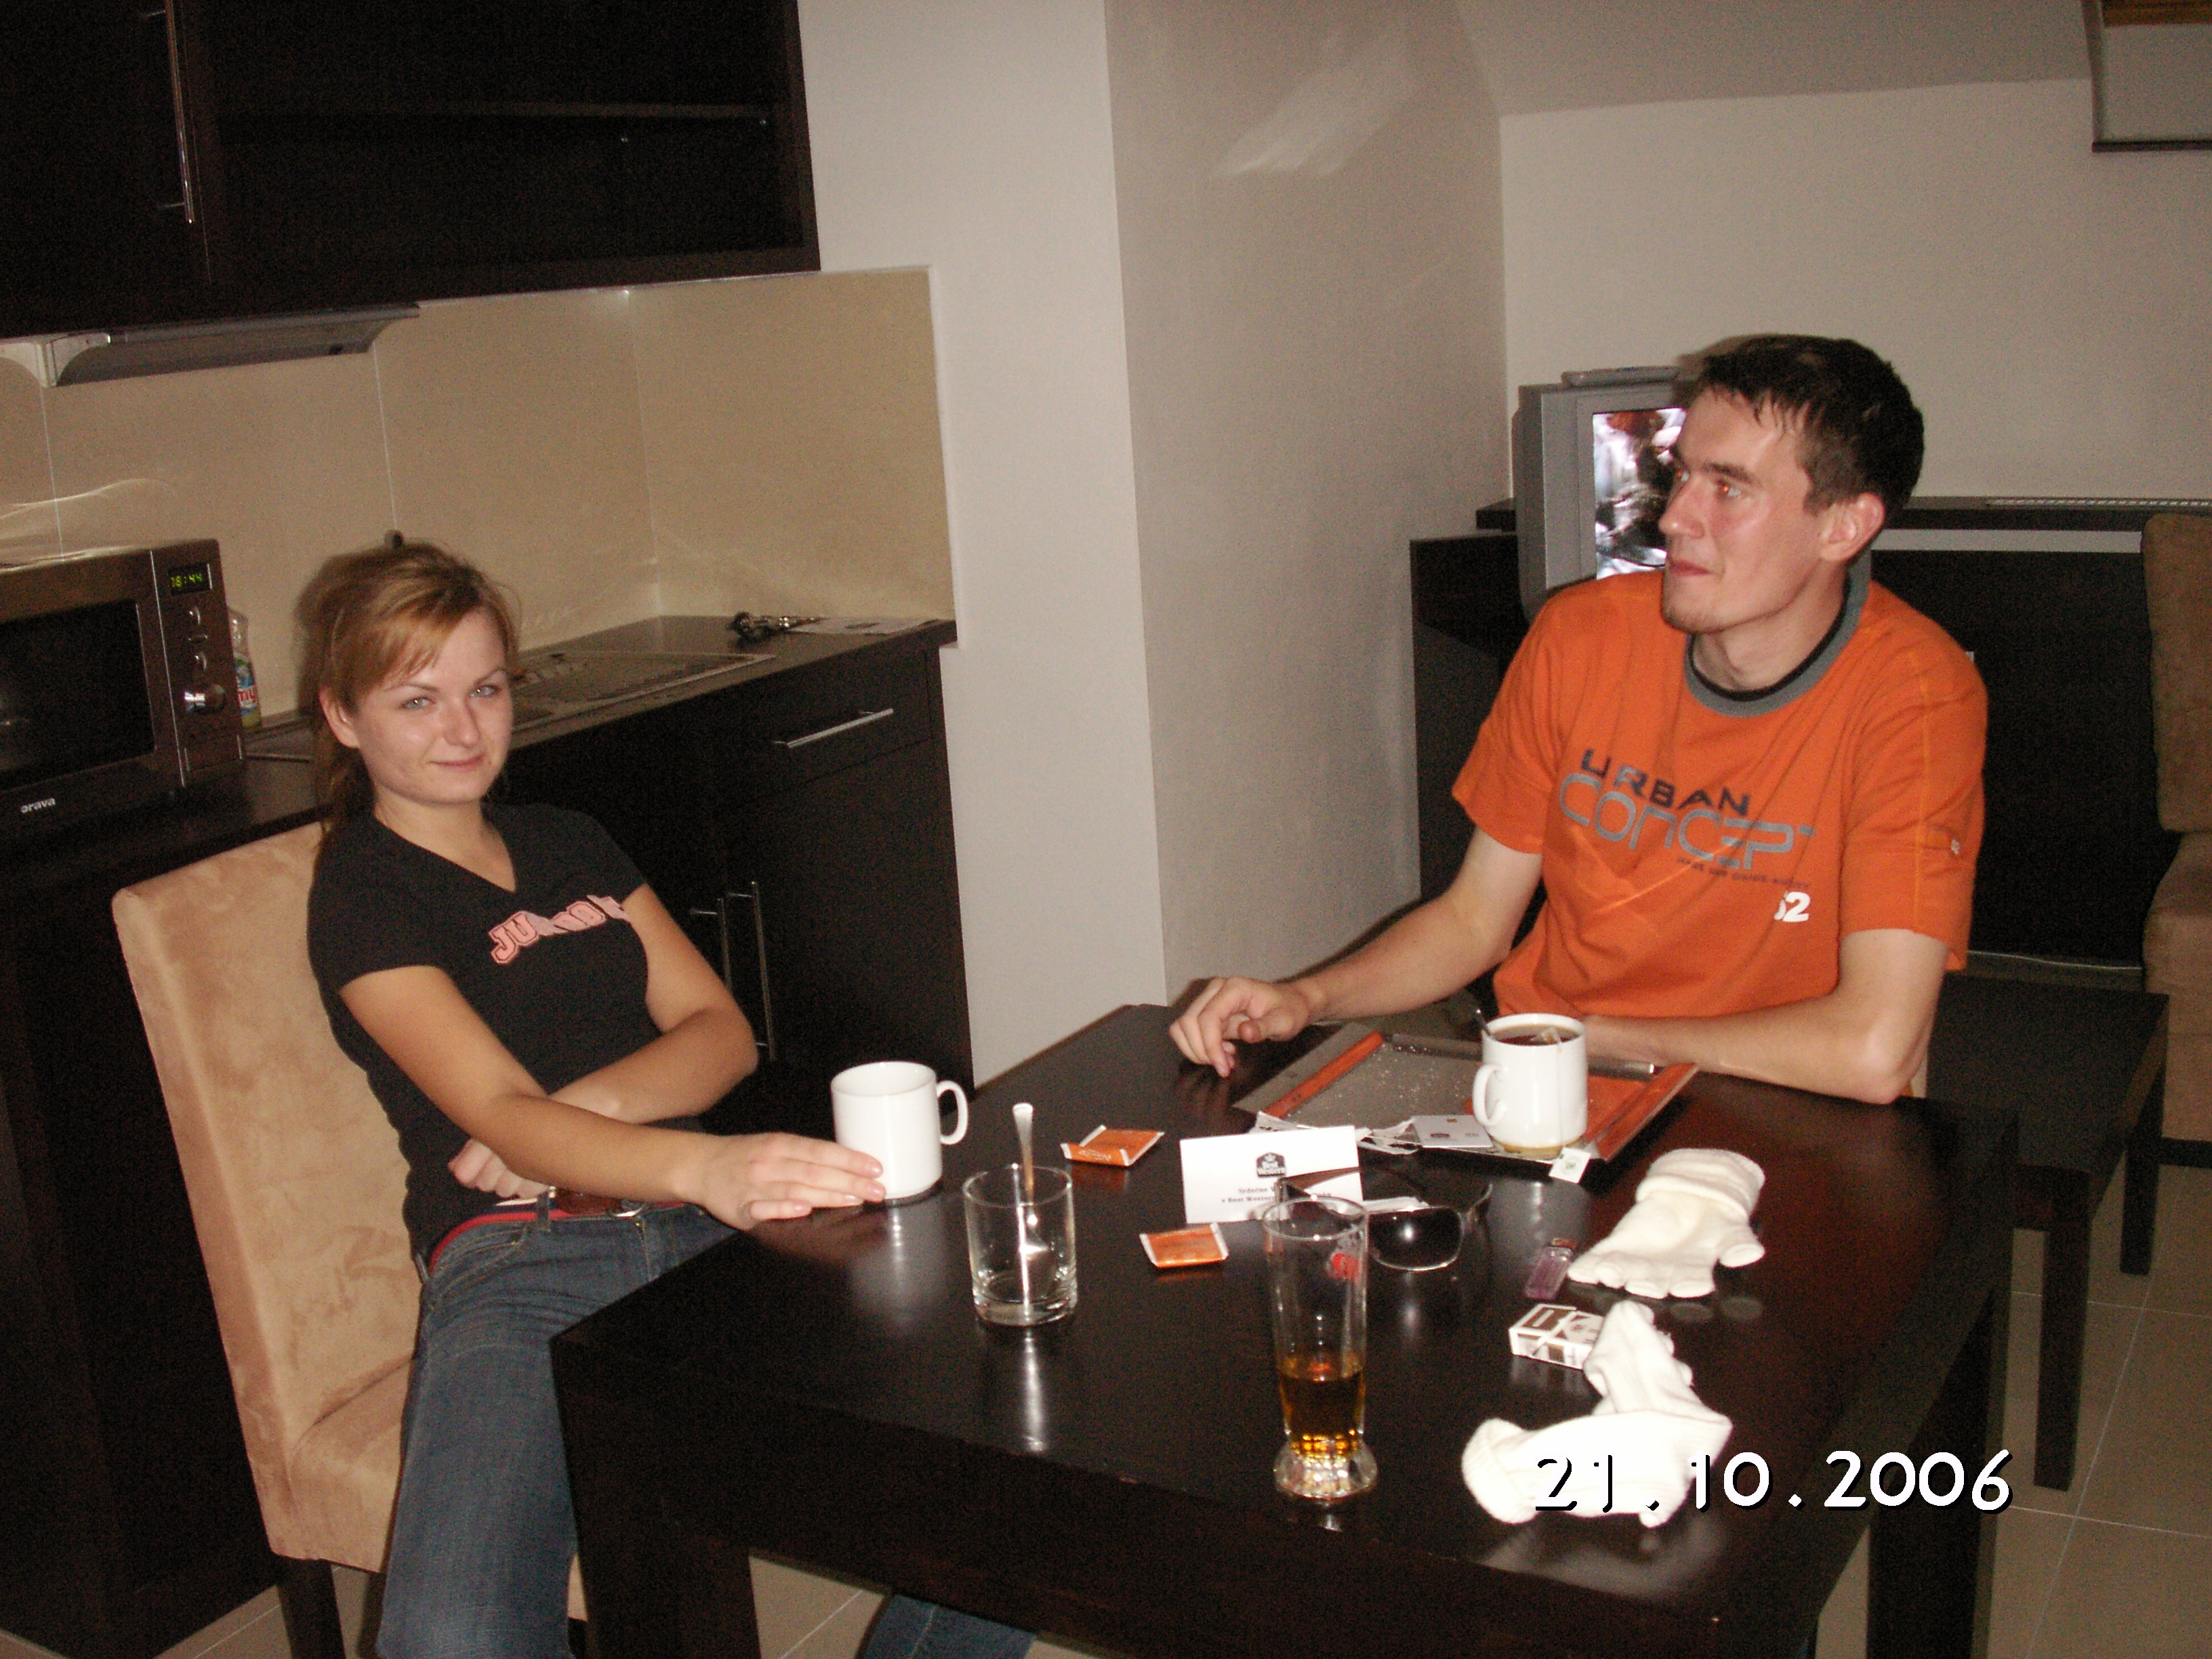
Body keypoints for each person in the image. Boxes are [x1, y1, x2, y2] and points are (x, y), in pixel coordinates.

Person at [300, 541, 1027, 1658]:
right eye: (417, 699)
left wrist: (588, 1119)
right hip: (520, 1254)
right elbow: (499, 1110)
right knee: (449, 1637)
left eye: (485, 689)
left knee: (1014, 1487)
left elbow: (720, 1033)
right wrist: (695, 1162)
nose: (463, 729)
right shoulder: (363, 887)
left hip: (700, 1235)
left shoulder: (567, 840)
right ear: (342, 716)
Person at [1171, 335, 1986, 1104]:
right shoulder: (1582, 634)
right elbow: (1473, 922)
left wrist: (1595, 1040)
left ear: (1844, 527)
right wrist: (1306, 997)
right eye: (1682, 474)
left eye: (1729, 487)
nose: (1675, 516)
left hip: (1772, 1100)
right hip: (1558, 1082)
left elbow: (1874, 1051)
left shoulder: (1916, 695)